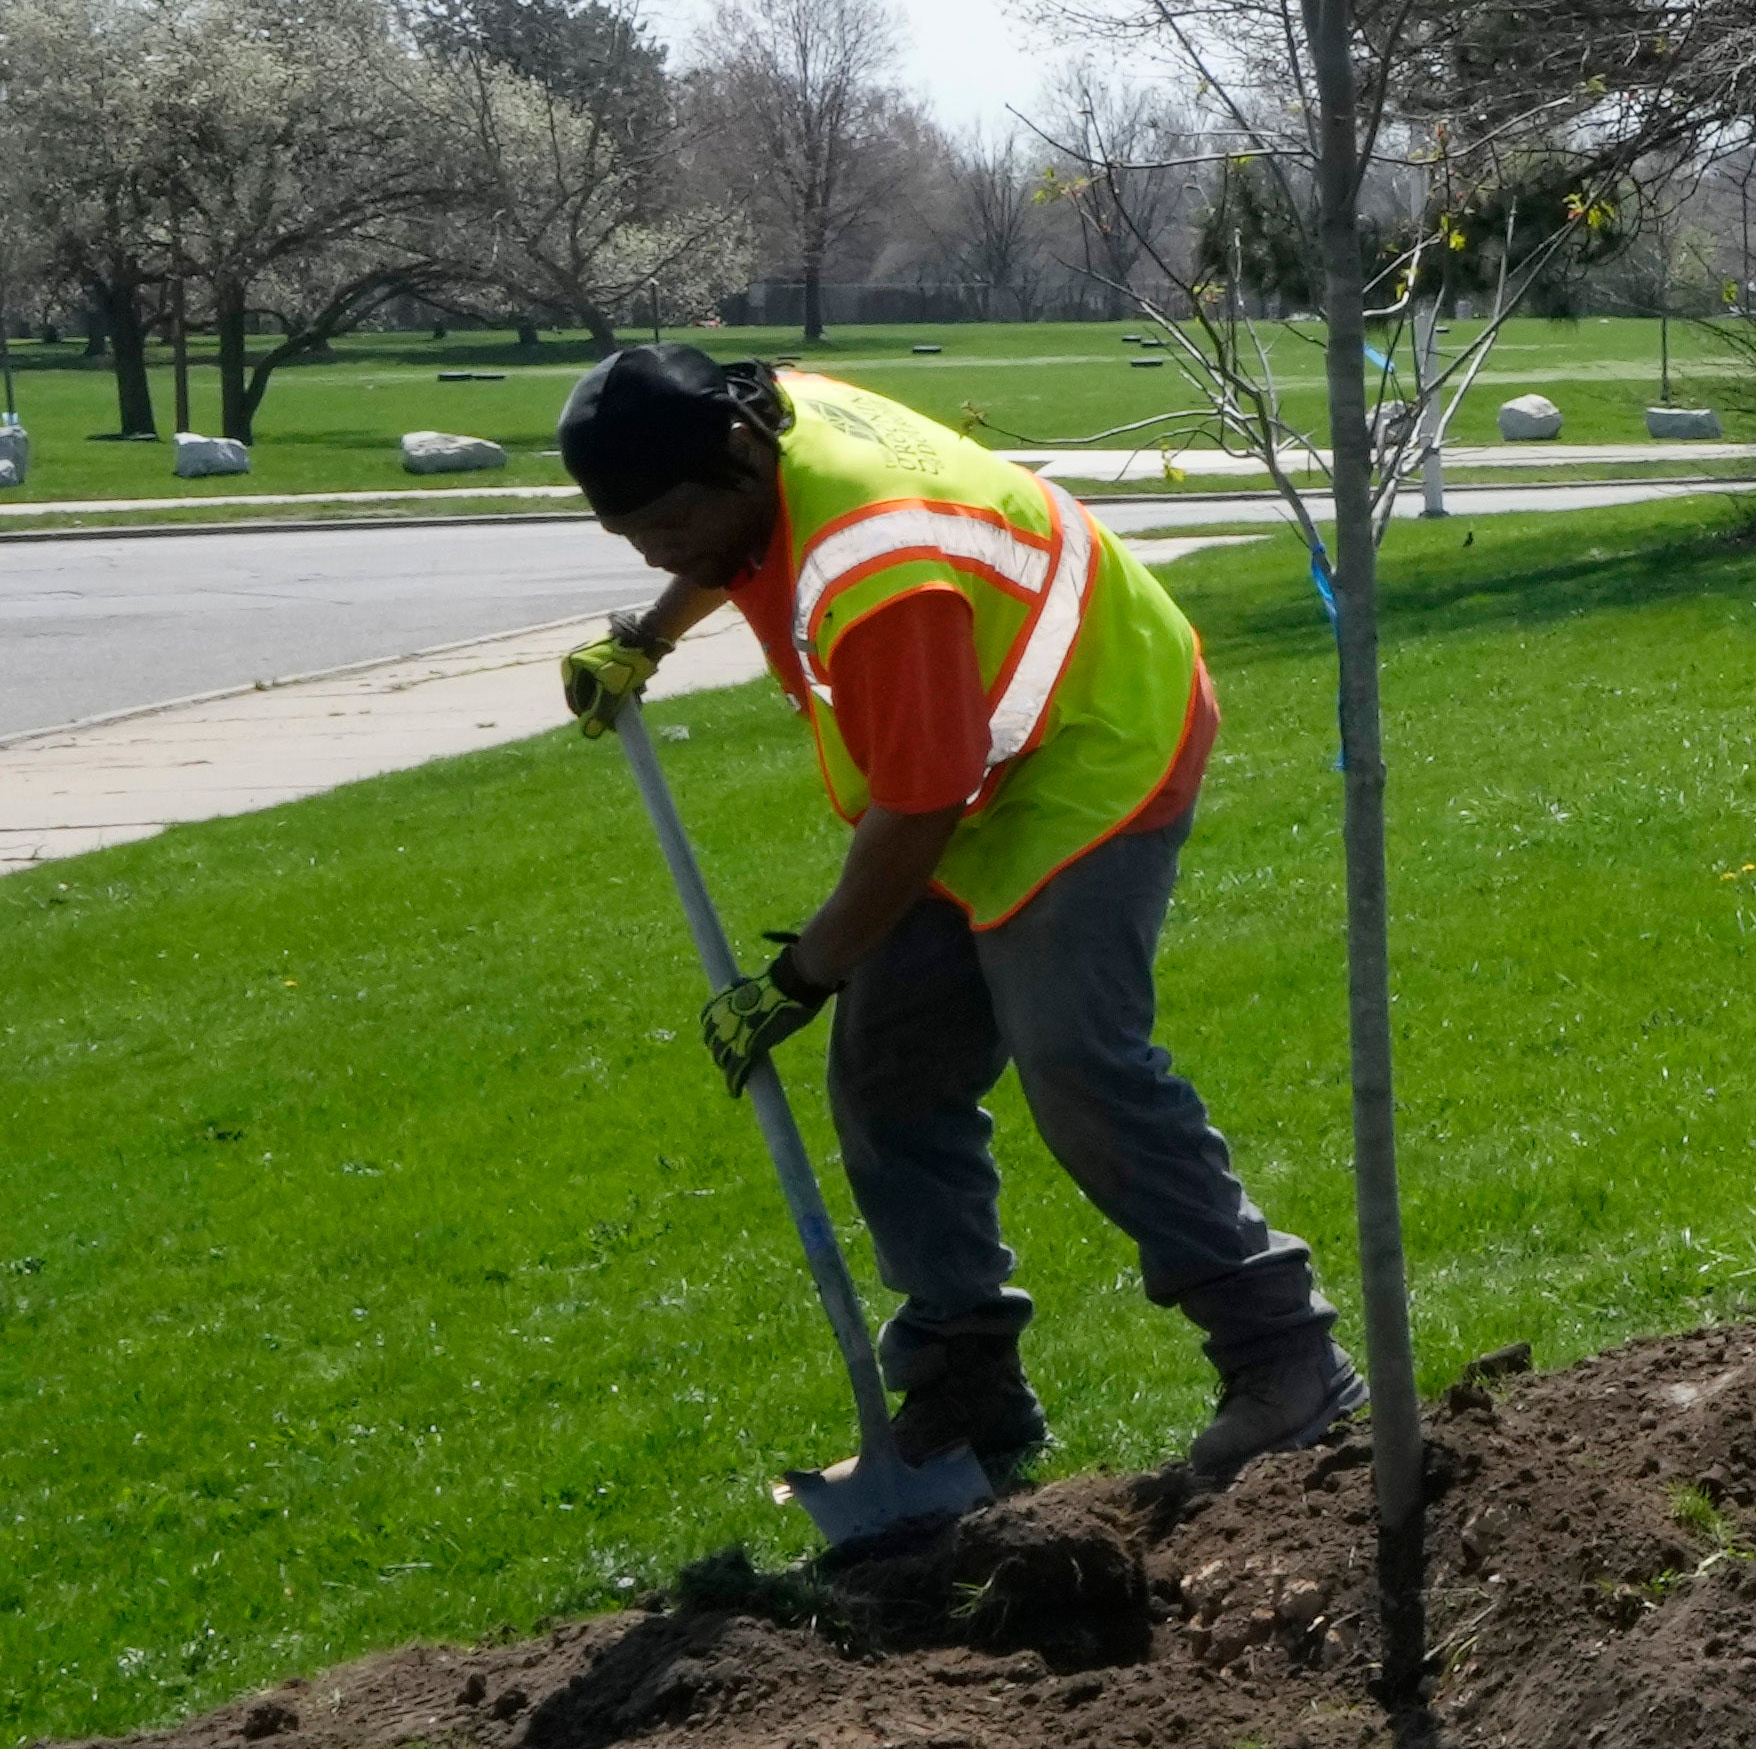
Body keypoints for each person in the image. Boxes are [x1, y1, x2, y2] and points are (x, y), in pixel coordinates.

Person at [550, 342, 1354, 1501]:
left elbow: (919, 808)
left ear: (736, 452)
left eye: (666, 531)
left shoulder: (880, 563)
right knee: (887, 1075)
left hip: (1094, 741)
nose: (660, 554)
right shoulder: (762, 423)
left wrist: (803, 976)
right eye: (633, 542)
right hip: (977, 744)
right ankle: (966, 1383)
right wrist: (650, 631)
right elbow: (733, 541)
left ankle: (1286, 1358)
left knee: (1078, 1057)